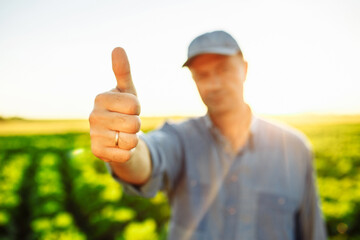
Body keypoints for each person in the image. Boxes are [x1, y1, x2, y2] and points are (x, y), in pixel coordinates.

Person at [89, 30, 327, 240]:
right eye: (202, 75)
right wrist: (127, 148)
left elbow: (312, 231)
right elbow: (148, 158)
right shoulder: (180, 139)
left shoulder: (294, 148)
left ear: (244, 69)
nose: (213, 84)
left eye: (223, 70)